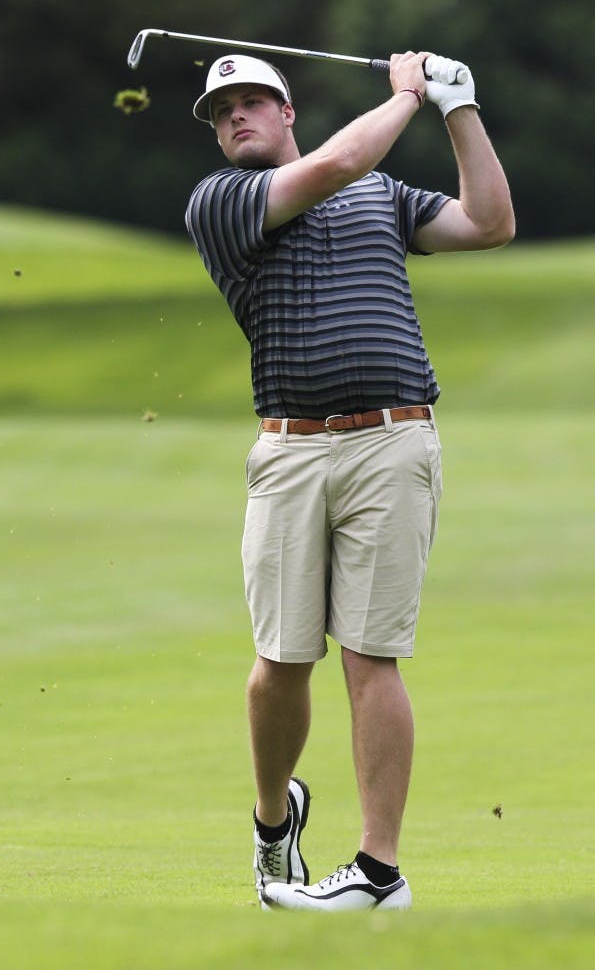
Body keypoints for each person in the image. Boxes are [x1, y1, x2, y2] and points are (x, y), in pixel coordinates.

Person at [185, 50, 514, 912]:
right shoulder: (220, 203)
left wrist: (458, 108)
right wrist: (407, 93)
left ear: (286, 109)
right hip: (290, 451)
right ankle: (272, 820)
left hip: (393, 443)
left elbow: (487, 224)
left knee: (373, 658)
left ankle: (377, 872)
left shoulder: (383, 196)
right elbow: (337, 162)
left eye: (252, 102)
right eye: (222, 112)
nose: (235, 118)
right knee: (279, 664)